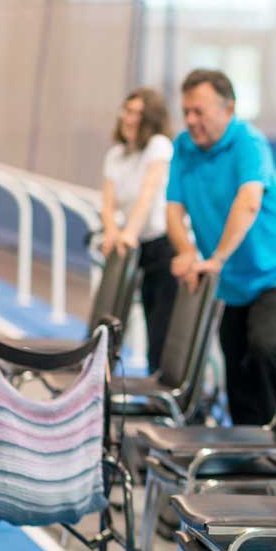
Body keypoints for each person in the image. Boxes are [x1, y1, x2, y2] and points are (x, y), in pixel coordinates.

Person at [166, 69, 276, 426]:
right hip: (230, 282)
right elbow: (173, 208)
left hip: (273, 274)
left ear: (229, 109)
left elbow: (249, 201)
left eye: (200, 111)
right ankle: (245, 450)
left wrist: (216, 258)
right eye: (187, 112)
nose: (192, 121)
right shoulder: (184, 146)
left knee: (266, 348)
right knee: (236, 369)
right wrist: (186, 252)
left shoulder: (249, 142)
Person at [100, 88, 177, 372]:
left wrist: (129, 232)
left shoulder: (158, 146)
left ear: (151, 119)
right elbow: (107, 205)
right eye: (126, 110)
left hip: (162, 246)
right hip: (136, 247)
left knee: (161, 327)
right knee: (124, 317)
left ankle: (164, 390)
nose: (127, 117)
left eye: (136, 113)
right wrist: (111, 231)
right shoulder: (116, 155)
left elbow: (147, 195)